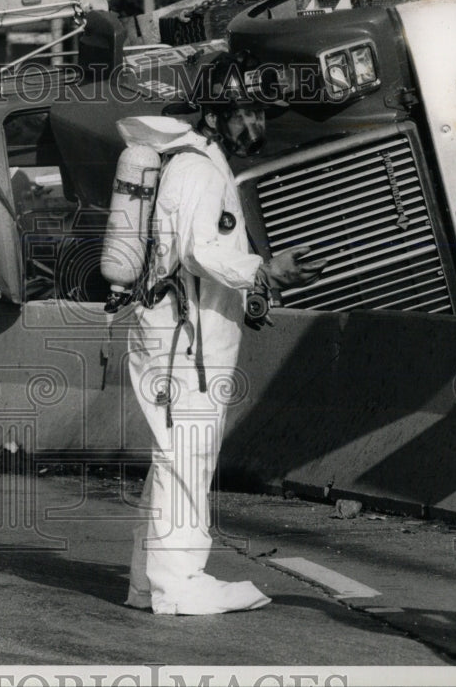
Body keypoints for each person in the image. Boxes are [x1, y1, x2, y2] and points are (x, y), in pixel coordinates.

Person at [123, 53, 326, 615]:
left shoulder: (203, 163)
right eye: (243, 114)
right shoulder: (196, 169)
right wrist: (267, 267)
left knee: (177, 456)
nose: (254, 127)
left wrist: (253, 290)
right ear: (212, 113)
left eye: (260, 114)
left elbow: (203, 257)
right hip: (180, 344)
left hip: (186, 339)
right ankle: (178, 581)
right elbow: (199, 251)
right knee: (186, 454)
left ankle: (149, 581)